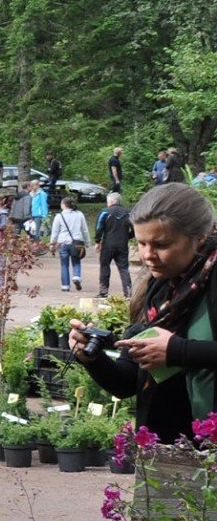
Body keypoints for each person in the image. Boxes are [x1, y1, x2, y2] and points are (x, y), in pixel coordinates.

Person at [69, 185, 217, 444]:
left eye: (161, 244)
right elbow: (126, 383)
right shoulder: (158, 288)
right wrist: (92, 358)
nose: (148, 255)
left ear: (200, 238)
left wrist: (178, 352)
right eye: (140, 242)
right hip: (173, 450)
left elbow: (178, 352)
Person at [96, 192, 134, 298]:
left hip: (108, 244)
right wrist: (127, 236)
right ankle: (128, 292)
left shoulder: (104, 212)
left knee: (105, 267)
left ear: (111, 201)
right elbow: (136, 228)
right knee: (124, 268)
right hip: (122, 244)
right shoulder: (129, 213)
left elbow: (99, 228)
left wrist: (97, 241)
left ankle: (103, 292)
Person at [51, 194, 90, 292]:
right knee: (76, 261)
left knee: (64, 265)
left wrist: (52, 243)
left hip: (63, 243)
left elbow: (55, 232)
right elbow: (84, 230)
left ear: (63, 204)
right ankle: (76, 276)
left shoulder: (59, 216)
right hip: (77, 243)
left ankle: (65, 286)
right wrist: (88, 242)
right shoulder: (79, 214)